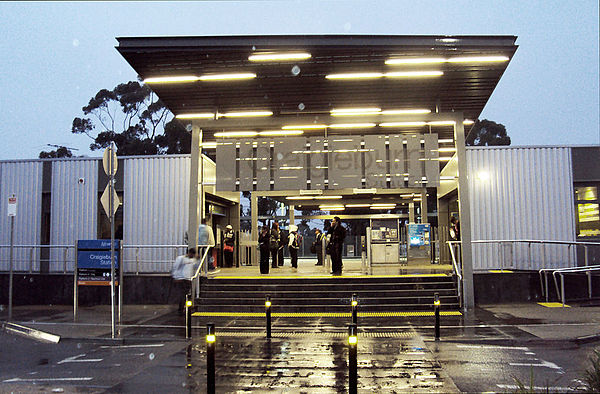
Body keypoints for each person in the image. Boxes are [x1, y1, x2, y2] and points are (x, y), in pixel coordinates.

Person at [170, 248, 197, 313]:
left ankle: (185, 307)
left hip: (187, 279)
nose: (192, 256)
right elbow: (175, 267)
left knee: (186, 294)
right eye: (192, 254)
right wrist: (175, 277)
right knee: (182, 295)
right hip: (180, 279)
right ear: (189, 253)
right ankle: (181, 308)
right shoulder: (181, 258)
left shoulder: (193, 260)